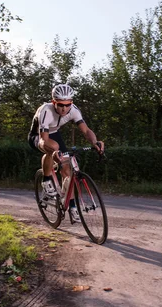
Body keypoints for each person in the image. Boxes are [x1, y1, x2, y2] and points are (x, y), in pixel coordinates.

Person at [28, 84, 105, 222]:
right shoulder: (46, 110)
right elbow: (44, 140)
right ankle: (46, 180)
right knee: (53, 147)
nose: (64, 108)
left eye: (67, 104)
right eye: (60, 105)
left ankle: (72, 206)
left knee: (68, 172)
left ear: (71, 102)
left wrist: (95, 142)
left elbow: (86, 131)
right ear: (53, 102)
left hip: (54, 133)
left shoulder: (73, 110)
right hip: (38, 136)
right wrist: (54, 152)